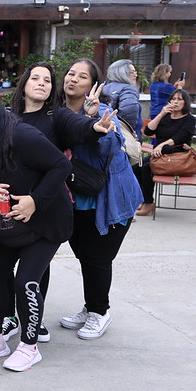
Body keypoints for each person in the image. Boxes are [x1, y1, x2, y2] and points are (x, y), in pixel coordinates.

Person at [0, 89, 73, 372]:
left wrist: (35, 200)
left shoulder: (21, 137)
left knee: (26, 282)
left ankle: (29, 346)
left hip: (42, 226)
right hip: (1, 228)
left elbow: (61, 164)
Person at [4, 62, 116, 341]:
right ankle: (9, 317)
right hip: (10, 202)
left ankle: (34, 321)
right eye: (35, 78)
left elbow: (79, 127)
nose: (41, 83)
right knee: (3, 266)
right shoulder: (7, 117)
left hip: (45, 203)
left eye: (47, 80)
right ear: (24, 84)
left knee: (35, 269)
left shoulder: (57, 116)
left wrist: (95, 126)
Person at [58, 58, 143, 339]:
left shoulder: (104, 111)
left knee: (96, 257)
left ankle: (100, 312)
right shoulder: (56, 113)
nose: (73, 79)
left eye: (82, 77)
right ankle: (91, 305)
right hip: (75, 197)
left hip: (110, 199)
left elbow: (109, 147)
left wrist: (93, 120)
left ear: (93, 85)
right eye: (70, 74)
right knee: (85, 256)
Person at [136, 89, 196, 216]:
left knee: (147, 168)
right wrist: (161, 114)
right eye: (173, 99)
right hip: (159, 153)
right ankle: (143, 199)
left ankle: (148, 203)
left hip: (176, 154)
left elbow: (180, 137)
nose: (175, 102)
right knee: (137, 167)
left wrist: (161, 146)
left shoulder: (189, 119)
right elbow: (147, 132)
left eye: (179, 99)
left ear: (185, 103)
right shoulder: (165, 116)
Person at [103, 59, 143, 139]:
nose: (135, 75)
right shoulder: (128, 89)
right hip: (123, 137)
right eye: (132, 72)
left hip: (106, 133)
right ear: (122, 74)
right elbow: (128, 112)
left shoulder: (105, 87)